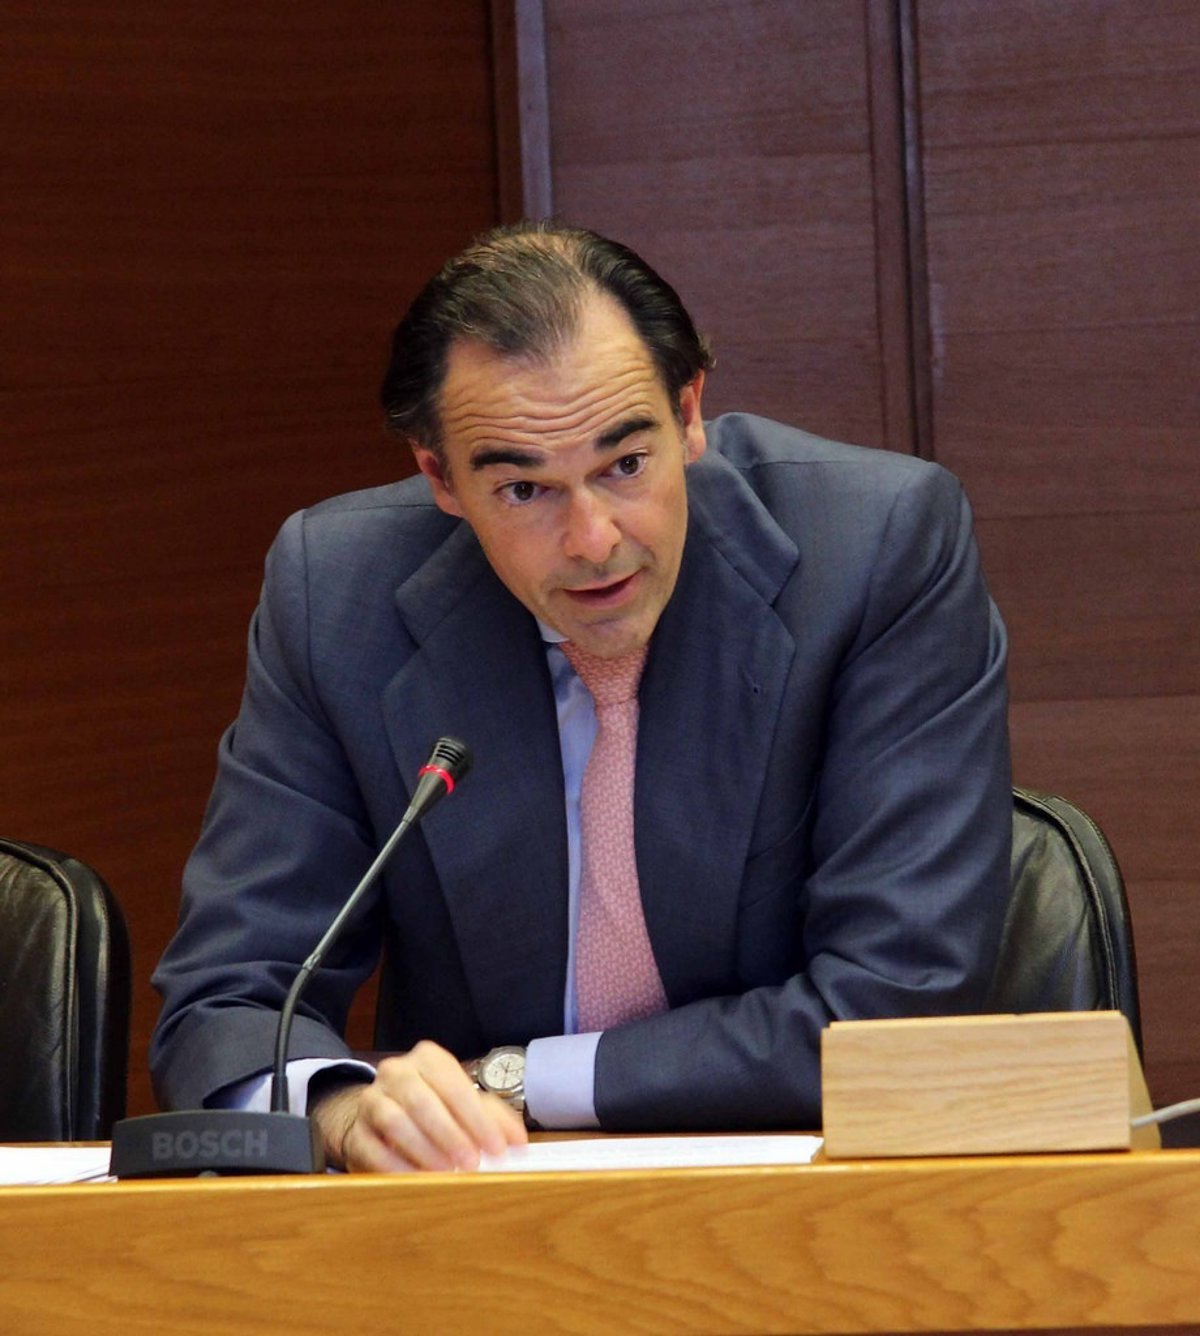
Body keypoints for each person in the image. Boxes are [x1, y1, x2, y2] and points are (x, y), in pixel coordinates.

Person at [150, 221, 1012, 1172]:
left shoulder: (874, 551)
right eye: (526, 489)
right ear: (440, 476)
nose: (594, 539)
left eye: (626, 465)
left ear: (689, 414)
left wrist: (515, 1081)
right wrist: (344, 1109)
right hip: (478, 1211)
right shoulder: (338, 592)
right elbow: (230, 1000)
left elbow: (894, 1004)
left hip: (801, 1189)